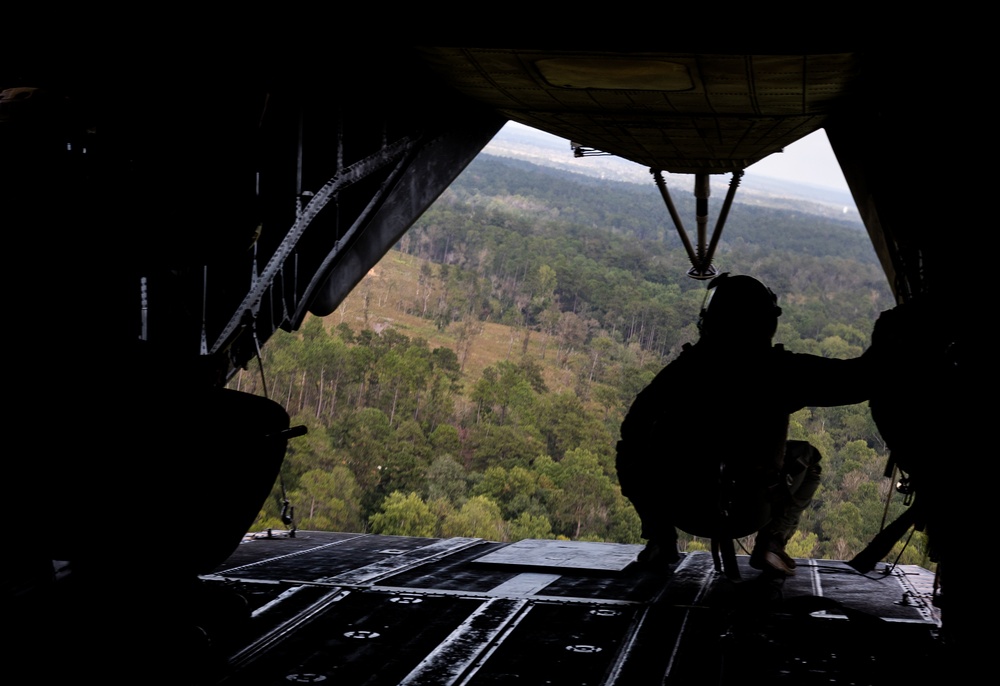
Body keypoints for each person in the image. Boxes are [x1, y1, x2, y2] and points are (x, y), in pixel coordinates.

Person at [616, 273, 878, 575]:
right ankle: (771, 543)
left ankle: (660, 540)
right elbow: (858, 381)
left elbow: (632, 428)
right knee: (809, 457)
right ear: (767, 323)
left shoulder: (683, 369)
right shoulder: (782, 371)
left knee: (630, 451)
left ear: (710, 319)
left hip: (685, 507)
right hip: (752, 510)